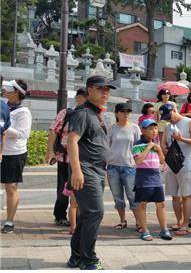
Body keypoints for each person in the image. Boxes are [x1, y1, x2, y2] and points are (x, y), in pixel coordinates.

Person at [66, 75, 116, 269]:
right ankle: (88, 260)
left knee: (88, 214)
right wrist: (77, 171)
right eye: (100, 88)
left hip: (96, 169)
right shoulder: (83, 113)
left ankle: (77, 256)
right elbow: (72, 141)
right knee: (95, 212)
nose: (105, 92)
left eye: (108, 89)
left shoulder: (96, 113)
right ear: (89, 90)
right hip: (86, 169)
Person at [45, 88, 87, 230]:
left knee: (81, 190)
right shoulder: (66, 113)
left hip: (83, 160)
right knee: (63, 189)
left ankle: (77, 217)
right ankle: (60, 216)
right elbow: (53, 130)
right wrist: (50, 151)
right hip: (64, 158)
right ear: (78, 98)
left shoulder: (91, 115)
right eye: (84, 97)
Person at [161, 102, 191, 236]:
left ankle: (185, 224)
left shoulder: (189, 122)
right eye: (166, 118)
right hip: (172, 163)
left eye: (169, 115)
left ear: (175, 110)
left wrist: (181, 138)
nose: (169, 119)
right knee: (175, 195)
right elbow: (163, 144)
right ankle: (179, 221)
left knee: (186, 195)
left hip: (186, 162)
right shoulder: (167, 126)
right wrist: (165, 149)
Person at [132, 119, 173, 241]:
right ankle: (144, 230)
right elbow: (138, 160)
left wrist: (159, 149)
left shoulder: (156, 144)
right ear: (143, 130)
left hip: (156, 178)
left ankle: (164, 229)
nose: (154, 131)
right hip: (143, 178)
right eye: (150, 129)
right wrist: (149, 147)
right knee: (142, 204)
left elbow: (161, 161)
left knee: (161, 204)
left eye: (155, 128)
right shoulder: (137, 144)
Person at [1, 80, 31, 234]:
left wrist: (4, 127)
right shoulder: (2, 106)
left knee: (10, 187)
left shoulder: (23, 112)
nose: (4, 91)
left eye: (8, 89)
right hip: (1, 151)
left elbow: (22, 134)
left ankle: (9, 221)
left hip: (14, 154)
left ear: (17, 93)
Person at [107, 103, 141, 231]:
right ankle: (122, 220)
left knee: (133, 196)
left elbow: (138, 147)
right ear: (116, 113)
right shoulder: (112, 128)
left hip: (129, 167)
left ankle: (139, 222)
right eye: (122, 111)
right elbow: (106, 145)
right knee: (118, 197)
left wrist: (138, 163)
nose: (125, 114)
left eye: (128, 112)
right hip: (113, 167)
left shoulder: (135, 128)